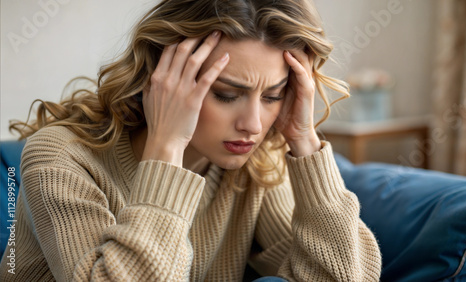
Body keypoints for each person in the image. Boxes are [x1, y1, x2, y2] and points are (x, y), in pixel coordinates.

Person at [0, 0, 382, 281]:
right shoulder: (61, 158)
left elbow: (346, 276)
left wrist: (302, 139)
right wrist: (166, 150)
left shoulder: (256, 162)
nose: (253, 124)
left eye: (272, 96)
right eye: (226, 95)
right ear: (163, 79)